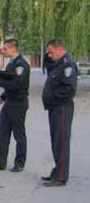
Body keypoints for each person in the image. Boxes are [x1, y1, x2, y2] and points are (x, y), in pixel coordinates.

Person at [0, 39, 30, 172]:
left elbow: (16, 85)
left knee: (19, 134)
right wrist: (2, 97)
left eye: (5, 48)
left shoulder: (21, 65)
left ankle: (19, 163)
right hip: (9, 102)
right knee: (3, 133)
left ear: (13, 49)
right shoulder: (11, 64)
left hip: (18, 103)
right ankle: (0, 162)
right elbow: (9, 85)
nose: (3, 50)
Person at [41, 39, 78, 187]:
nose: (49, 55)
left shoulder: (67, 64)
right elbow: (48, 67)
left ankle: (61, 177)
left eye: (50, 51)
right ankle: (57, 171)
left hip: (62, 108)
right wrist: (47, 57)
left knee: (61, 142)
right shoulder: (58, 64)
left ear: (59, 49)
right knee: (56, 142)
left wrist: (54, 97)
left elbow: (69, 89)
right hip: (54, 108)